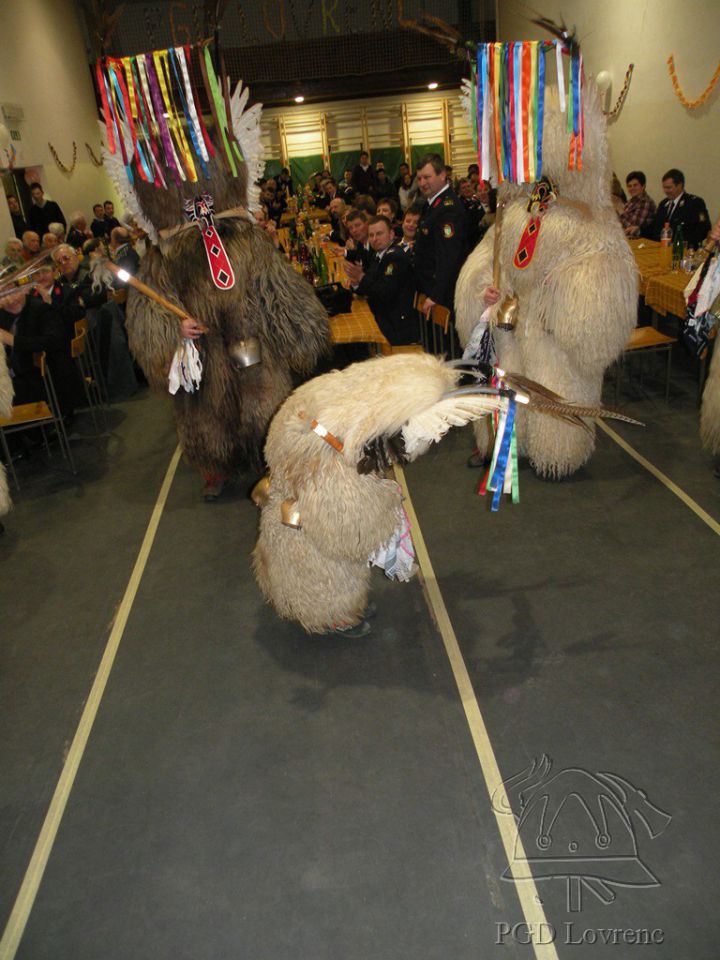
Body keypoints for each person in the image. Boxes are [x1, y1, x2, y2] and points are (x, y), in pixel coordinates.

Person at [344, 215, 417, 345]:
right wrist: (356, 283)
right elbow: (371, 286)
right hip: (382, 315)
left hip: (396, 326)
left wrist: (361, 277)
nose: (374, 239)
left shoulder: (395, 257)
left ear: (391, 234)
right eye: (371, 235)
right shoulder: (377, 254)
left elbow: (384, 292)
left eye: (379, 234)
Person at [413, 153, 469, 318]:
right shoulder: (433, 204)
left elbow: (449, 256)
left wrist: (436, 295)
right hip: (430, 290)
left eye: (427, 177)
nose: (422, 183)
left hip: (442, 295)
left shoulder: (448, 209)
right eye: (419, 178)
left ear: (443, 175)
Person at [643, 168, 710, 247]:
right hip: (661, 249)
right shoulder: (663, 204)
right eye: (664, 187)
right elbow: (654, 227)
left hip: (683, 250)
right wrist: (638, 230)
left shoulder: (694, 203)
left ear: (680, 185)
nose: (666, 191)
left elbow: (703, 229)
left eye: (669, 187)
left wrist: (683, 244)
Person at [619, 171, 656, 237]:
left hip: (641, 242)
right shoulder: (631, 201)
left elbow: (632, 228)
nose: (632, 188)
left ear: (643, 186)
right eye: (629, 186)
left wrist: (619, 210)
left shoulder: (645, 202)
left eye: (635, 185)